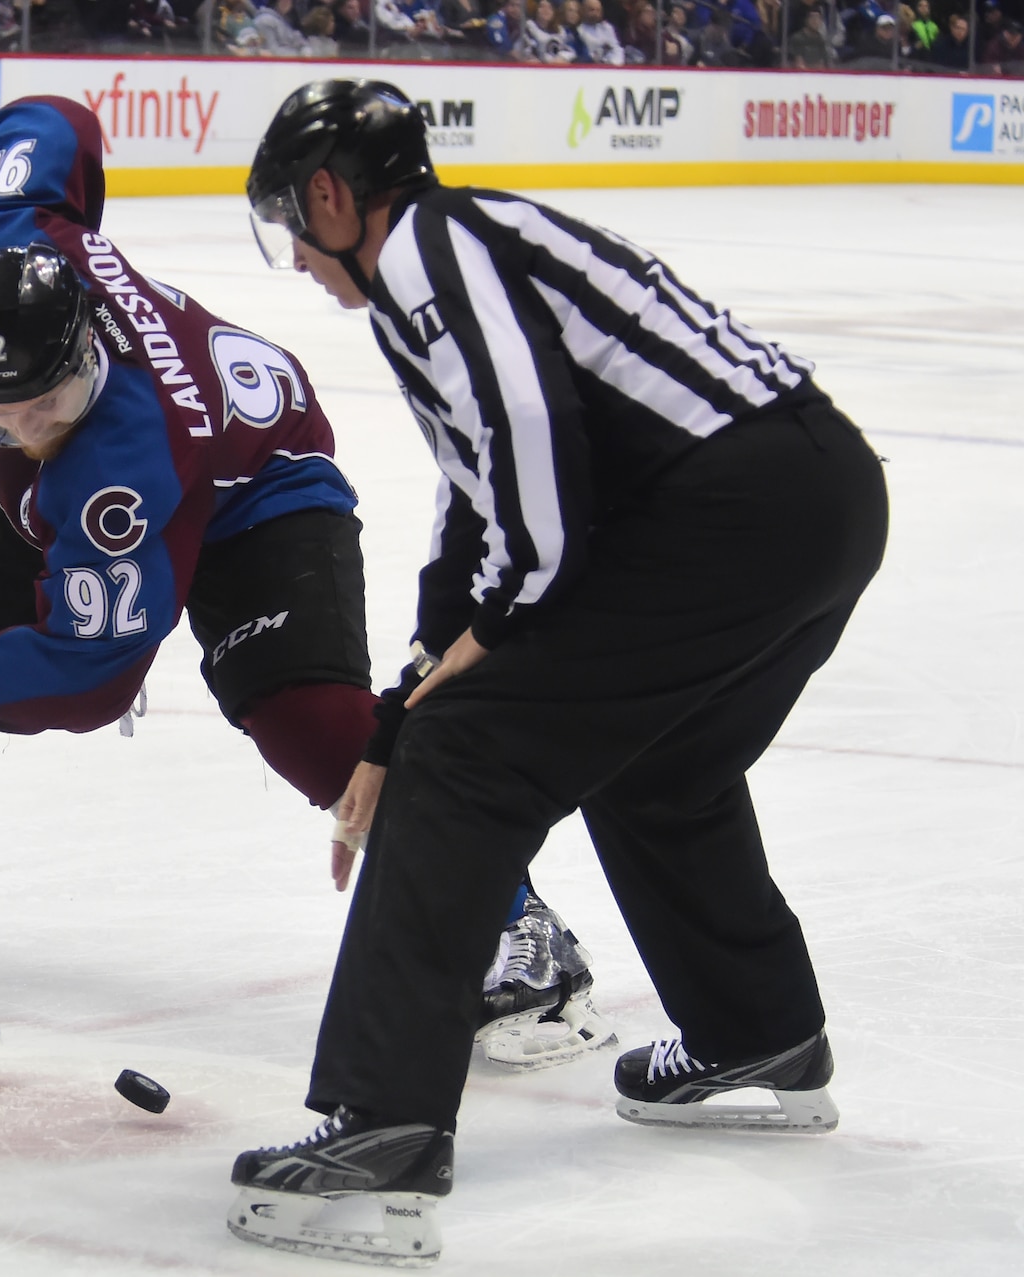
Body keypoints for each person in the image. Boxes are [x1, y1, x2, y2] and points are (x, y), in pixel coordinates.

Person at [0, 96, 618, 1082]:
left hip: (254, 486)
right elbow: (56, 123)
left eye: (48, 401)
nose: (25, 428)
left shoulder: (114, 464)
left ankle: (514, 924)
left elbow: (91, 673)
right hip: (75, 487)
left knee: (309, 722)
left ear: (85, 358)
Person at [231, 79, 887, 1265]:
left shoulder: (429, 253)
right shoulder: (446, 258)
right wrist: (409, 683)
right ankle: (757, 1031)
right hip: (819, 492)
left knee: (465, 754)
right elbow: (467, 492)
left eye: (291, 223)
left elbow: (535, 467)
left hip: (730, 509)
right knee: (659, 766)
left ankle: (382, 1121)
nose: (296, 257)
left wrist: (472, 661)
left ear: (330, 196)